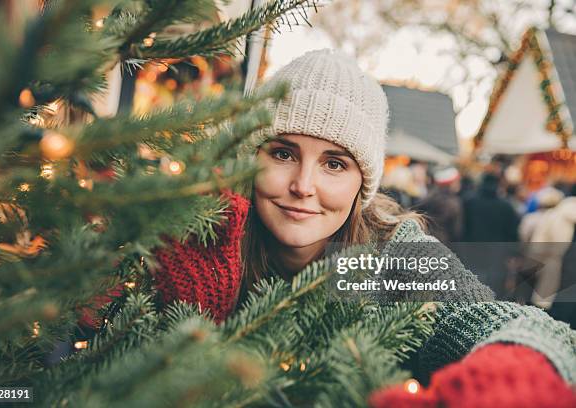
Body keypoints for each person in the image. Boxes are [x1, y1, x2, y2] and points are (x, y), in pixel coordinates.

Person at [87, 50, 576, 407]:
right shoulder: (207, 236)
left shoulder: (391, 258)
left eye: (335, 164)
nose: (303, 185)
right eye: (282, 153)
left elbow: (507, 322)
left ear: (364, 182)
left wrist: (515, 371)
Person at [414, 167, 463, 244]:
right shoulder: (452, 202)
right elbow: (456, 231)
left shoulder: (427, 197)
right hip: (444, 243)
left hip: (425, 240)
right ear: (451, 183)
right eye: (457, 181)